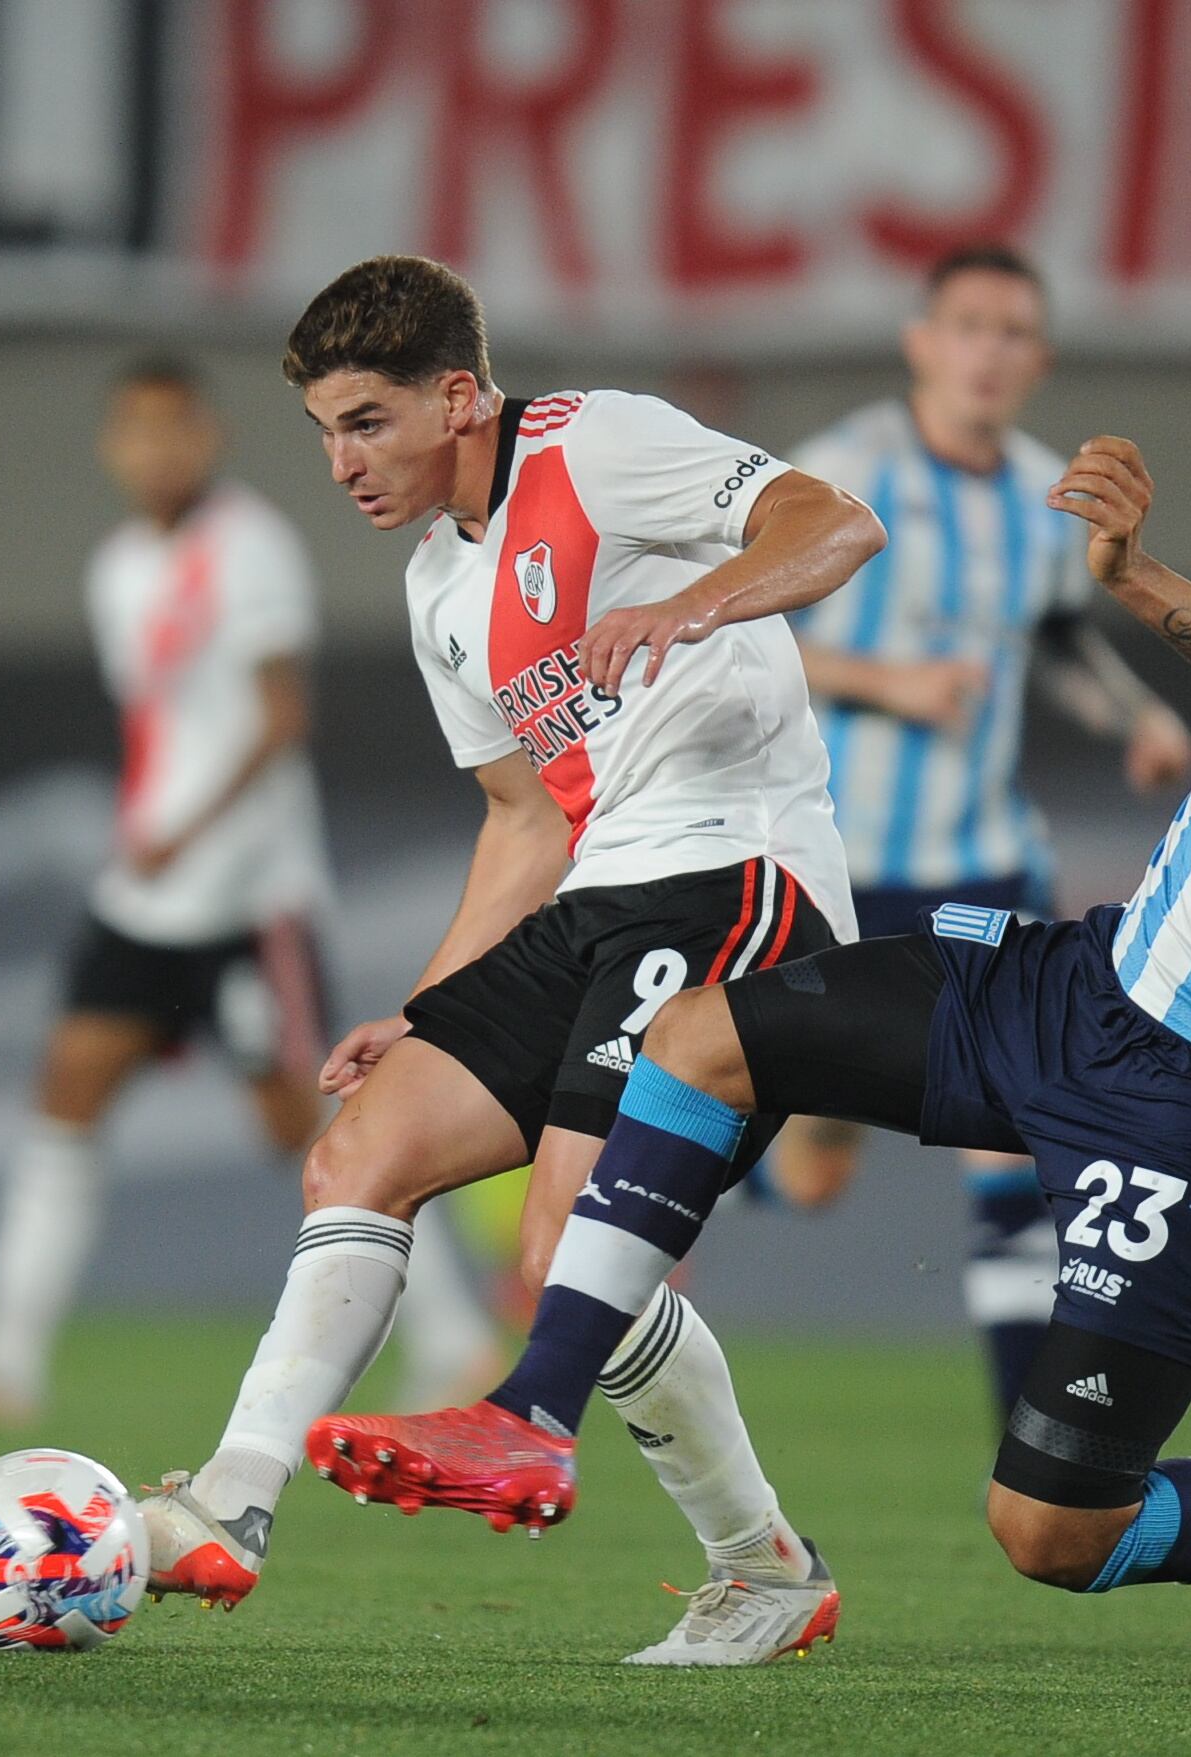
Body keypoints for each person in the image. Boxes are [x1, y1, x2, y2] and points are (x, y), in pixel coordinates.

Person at [307, 0, 1191, 1665]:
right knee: (700, 1035)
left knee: (1054, 1531)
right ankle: (532, 1414)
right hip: (1093, 981)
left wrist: (1138, 585)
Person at [128, 253, 884, 1667]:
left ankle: (761, 1567)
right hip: (595, 898)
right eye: (323, 432)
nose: (341, 461)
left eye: (366, 420)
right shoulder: (436, 590)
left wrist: (695, 602)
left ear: (460, 395)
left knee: (563, 1249)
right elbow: (523, 817)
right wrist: (423, 1004)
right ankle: (229, 1505)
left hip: (736, 880)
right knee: (357, 1153)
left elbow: (837, 522)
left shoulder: (595, 444)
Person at [0, 359, 496, 1424]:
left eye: (174, 430)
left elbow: (281, 714)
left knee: (320, 1129)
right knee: (66, 1093)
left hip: (253, 900)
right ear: (114, 446)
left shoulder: (249, 547)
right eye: (135, 432)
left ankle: (459, 1342)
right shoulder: (119, 562)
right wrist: (147, 836)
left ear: (208, 437)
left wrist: (188, 831)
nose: (156, 451)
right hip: (144, 898)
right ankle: (1, 1365)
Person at [775, 242, 1191, 1421]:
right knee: (811, 1172)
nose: (990, 351)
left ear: (1039, 359)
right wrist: (882, 681)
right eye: (968, 324)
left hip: (986, 864)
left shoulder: (1041, 496)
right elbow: (730, 633)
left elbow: (1055, 634)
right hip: (840, 870)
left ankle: (1032, 1432)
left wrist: (1137, 712)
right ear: (921, 340)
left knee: (1018, 1142)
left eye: (1014, 331)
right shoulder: (838, 475)